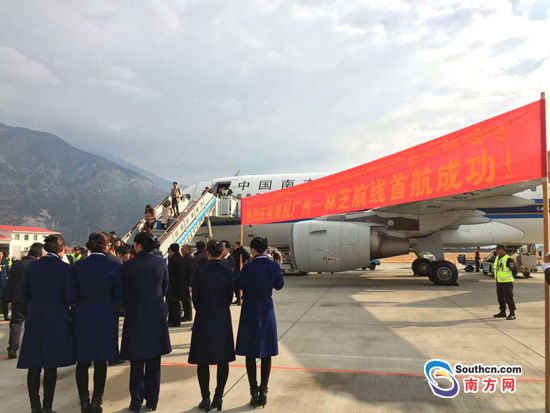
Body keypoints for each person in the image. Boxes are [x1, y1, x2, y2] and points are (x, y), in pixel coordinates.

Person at [17, 234, 76, 413]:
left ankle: (34, 406)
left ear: (44, 249)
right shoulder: (65, 268)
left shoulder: (33, 266)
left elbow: (24, 294)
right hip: (57, 319)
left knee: (34, 364)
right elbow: (70, 297)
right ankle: (47, 407)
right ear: (62, 249)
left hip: (35, 318)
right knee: (51, 365)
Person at [121, 232, 171, 412]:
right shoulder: (161, 263)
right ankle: (152, 401)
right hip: (156, 315)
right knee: (154, 361)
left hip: (136, 315)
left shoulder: (129, 265)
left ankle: (136, 401)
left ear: (139, 246)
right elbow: (164, 288)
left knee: (136, 361)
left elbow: (124, 292)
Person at [73, 231, 123, 412]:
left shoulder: (78, 266)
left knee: (82, 361)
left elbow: (72, 293)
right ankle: (97, 400)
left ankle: (84, 400)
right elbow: (118, 294)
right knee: (101, 361)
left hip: (83, 316)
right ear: (107, 246)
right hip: (105, 317)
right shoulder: (114, 266)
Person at [235, 237, 284, 408]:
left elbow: (239, 284)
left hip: (250, 309)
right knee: (266, 351)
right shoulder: (273, 266)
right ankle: (264, 390)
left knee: (250, 352)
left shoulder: (248, 267)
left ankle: (253, 390)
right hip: (266, 308)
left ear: (253, 250)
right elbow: (279, 285)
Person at [188, 240, 235, 411]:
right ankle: (219, 396)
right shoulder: (228, 271)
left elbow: (195, 297)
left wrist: (202, 308)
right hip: (222, 316)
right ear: (222, 253)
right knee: (223, 359)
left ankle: (205, 398)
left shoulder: (200, 272)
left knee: (203, 360)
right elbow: (229, 297)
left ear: (208, 253)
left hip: (204, 316)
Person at [5, 243, 44, 359]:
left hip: (17, 300)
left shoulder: (16, 265)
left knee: (15, 325)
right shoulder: (38, 266)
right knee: (32, 326)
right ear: (38, 255)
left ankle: (12, 349)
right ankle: (31, 348)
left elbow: (10, 284)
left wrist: (8, 300)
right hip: (32, 301)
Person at [493, 245, 517, 320]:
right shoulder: (497, 258)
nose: (496, 251)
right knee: (500, 298)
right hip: (499, 281)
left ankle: (512, 313)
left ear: (503, 250)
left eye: (498, 249)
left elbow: (514, 270)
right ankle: (502, 312)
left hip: (507, 282)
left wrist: (511, 278)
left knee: (508, 298)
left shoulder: (508, 259)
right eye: (496, 249)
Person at [167, 243, 186, 327]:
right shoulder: (181, 258)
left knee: (174, 303)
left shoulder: (174, 259)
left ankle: (175, 321)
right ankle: (173, 320)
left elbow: (170, 271)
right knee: (174, 303)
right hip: (180, 284)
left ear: (171, 250)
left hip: (174, 284)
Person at [181, 244, 193, 322]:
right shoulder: (185, 258)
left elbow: (190, 272)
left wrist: (190, 284)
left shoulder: (189, 258)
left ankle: (188, 315)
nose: (181, 250)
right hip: (184, 281)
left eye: (183, 249)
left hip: (186, 282)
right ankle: (186, 314)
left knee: (186, 299)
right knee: (184, 299)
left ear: (187, 250)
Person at [0, 250, 10, 320]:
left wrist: (7, 278)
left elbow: (9, 271)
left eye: (1, 254)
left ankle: (6, 316)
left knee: (5, 301)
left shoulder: (5, 262)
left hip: (3, 285)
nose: (0, 256)